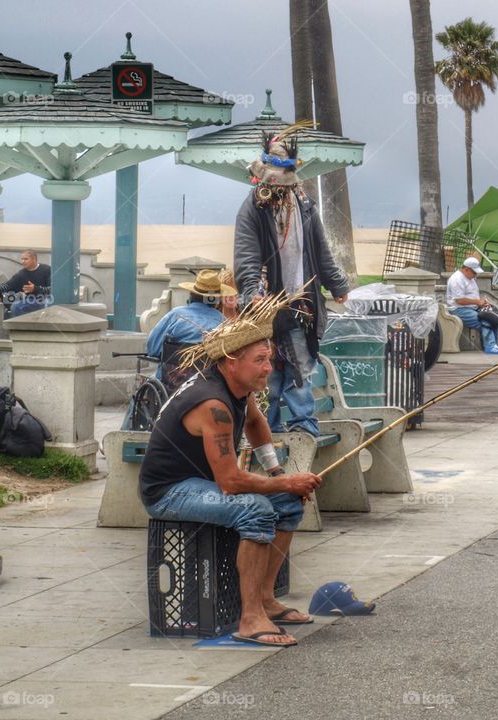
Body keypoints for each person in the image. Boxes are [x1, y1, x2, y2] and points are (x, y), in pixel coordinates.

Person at [139, 295, 322, 647]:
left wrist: (276, 473)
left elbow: (255, 424)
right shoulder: (213, 403)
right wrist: (285, 481)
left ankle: (266, 599)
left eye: (269, 358)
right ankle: (250, 618)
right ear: (231, 362)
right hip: (168, 492)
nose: (268, 368)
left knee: (289, 503)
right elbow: (231, 481)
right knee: (255, 509)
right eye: (260, 361)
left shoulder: (239, 387)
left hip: (199, 483)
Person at [234, 127, 350, 437]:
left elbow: (321, 251)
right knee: (267, 375)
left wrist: (337, 284)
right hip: (266, 310)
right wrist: (252, 293)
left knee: (300, 372)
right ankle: (266, 436)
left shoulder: (305, 205)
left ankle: (303, 433)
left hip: (302, 306)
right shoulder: (252, 209)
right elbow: (247, 256)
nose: (278, 188)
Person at [145, 269, 235, 389]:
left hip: (172, 382)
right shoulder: (223, 322)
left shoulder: (176, 315)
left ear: (192, 294)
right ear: (216, 300)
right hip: (209, 383)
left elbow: (153, 348)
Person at [446, 256, 498, 355]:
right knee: (485, 321)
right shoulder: (457, 279)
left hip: (471, 308)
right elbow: (459, 300)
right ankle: (490, 346)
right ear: (466, 269)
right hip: (459, 309)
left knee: (494, 317)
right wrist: (478, 302)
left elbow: (472, 296)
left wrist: (482, 303)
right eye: (474, 272)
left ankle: (494, 345)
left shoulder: (469, 277)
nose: (476, 275)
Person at [0, 249, 51, 316]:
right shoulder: (21, 274)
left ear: (34, 259)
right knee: (15, 307)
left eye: (26, 259)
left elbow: (52, 289)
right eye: (22, 259)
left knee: (48, 303)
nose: (23, 261)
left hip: (47, 298)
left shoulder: (47, 269)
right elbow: (8, 286)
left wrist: (35, 289)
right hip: (31, 300)